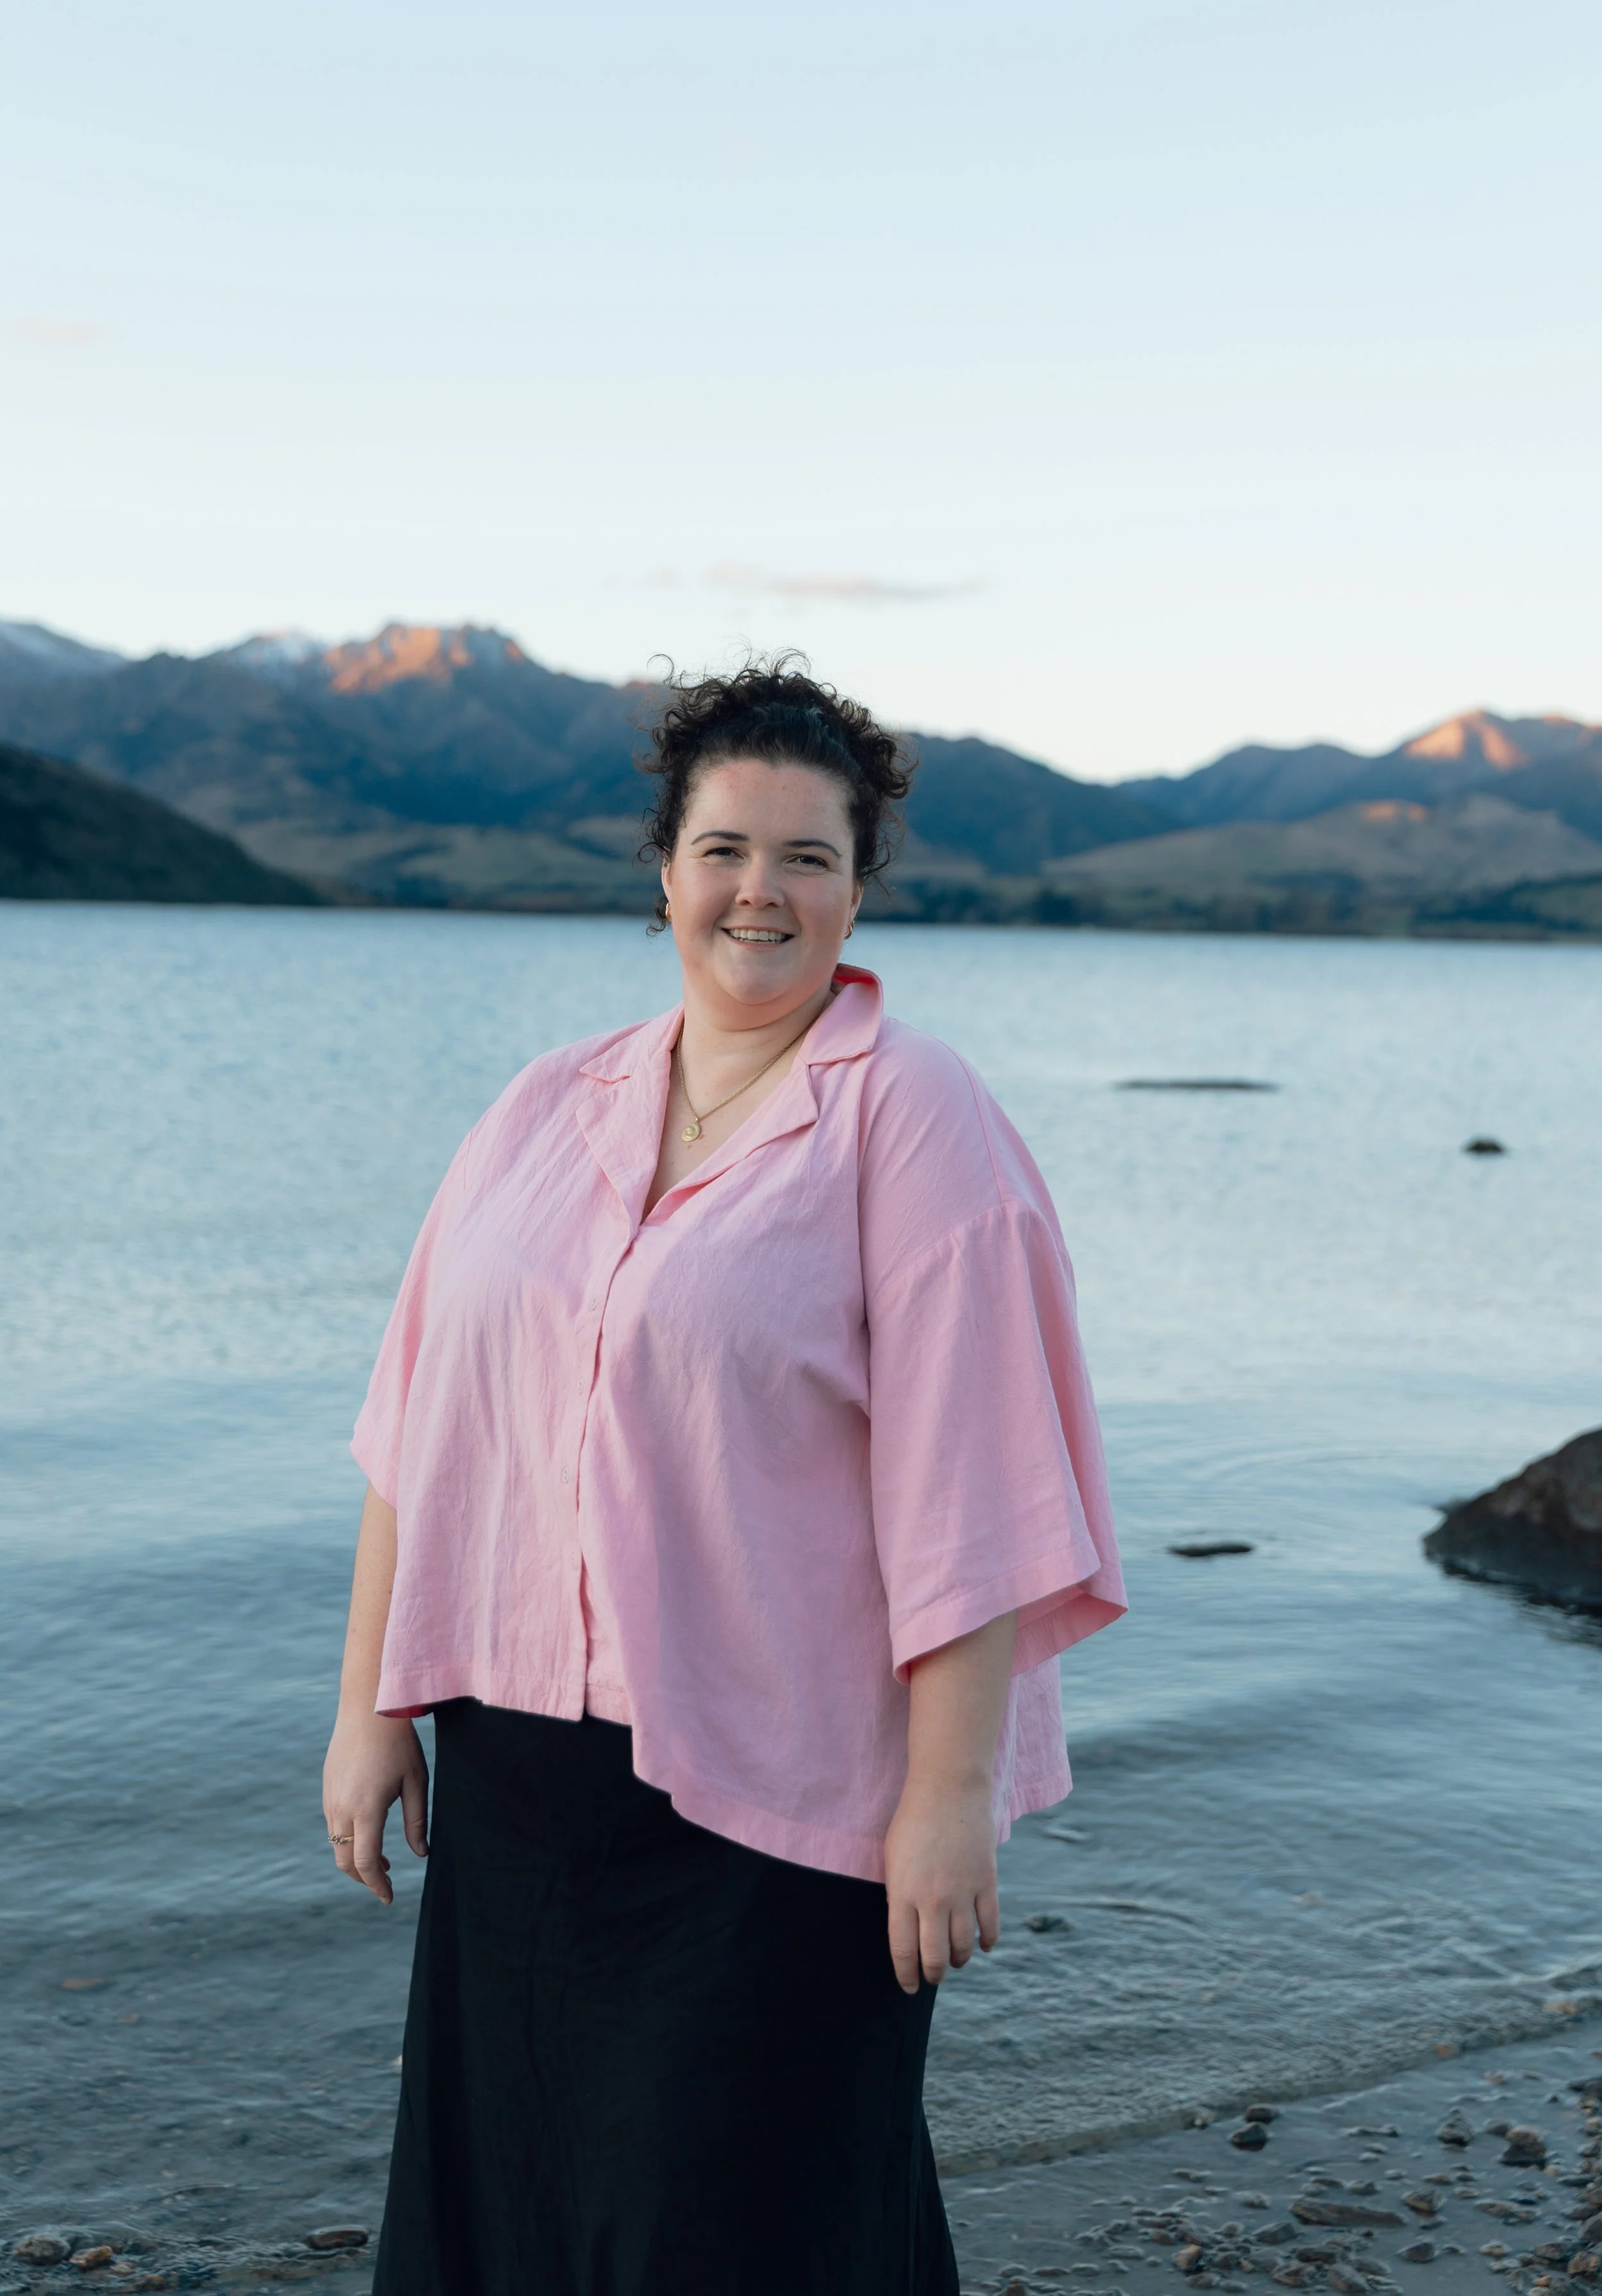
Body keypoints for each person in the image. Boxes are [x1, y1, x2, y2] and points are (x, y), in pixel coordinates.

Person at [322, 659, 1125, 2296]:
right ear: (664, 867)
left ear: (856, 887)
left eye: (806, 858)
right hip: (524, 1781)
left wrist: (947, 1802)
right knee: (514, 2202)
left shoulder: (915, 1121)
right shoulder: (545, 1106)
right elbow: (420, 1420)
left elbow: (976, 1492)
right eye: (723, 850)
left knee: (753, 2222)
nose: (758, 892)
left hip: (780, 1799)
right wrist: (368, 1707)